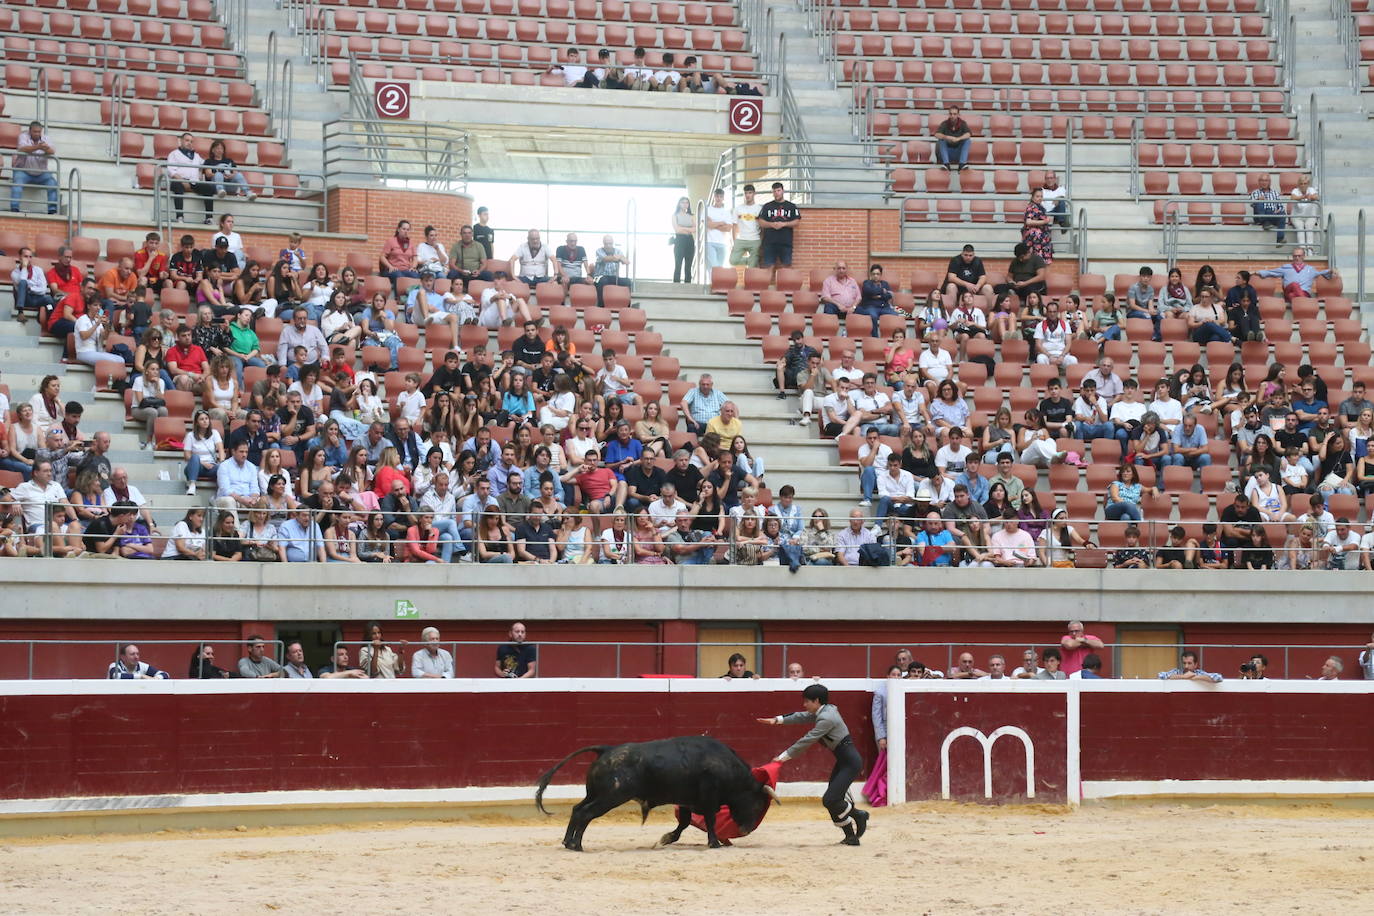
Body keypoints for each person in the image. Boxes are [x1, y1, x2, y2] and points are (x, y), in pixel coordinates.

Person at [756, 684, 870, 845]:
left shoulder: (827, 718)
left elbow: (807, 740)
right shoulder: (826, 710)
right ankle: (851, 837)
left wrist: (782, 757)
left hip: (850, 764)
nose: (804, 705)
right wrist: (777, 720)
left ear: (816, 701)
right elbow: (802, 716)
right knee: (833, 800)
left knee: (830, 800)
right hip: (844, 761)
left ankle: (859, 815)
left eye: (807, 701)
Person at [10, 121, 58, 215]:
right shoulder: (23, 136)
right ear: (30, 131)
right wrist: (38, 147)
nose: (37, 134)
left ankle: (52, 209)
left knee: (53, 183)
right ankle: (14, 207)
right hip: (23, 170)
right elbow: (22, 148)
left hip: (41, 172)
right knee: (17, 183)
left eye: (39, 132)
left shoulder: (46, 138)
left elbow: (52, 151)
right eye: (35, 131)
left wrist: (46, 148)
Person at [1255, 247, 1336, 301]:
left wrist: (1332, 271)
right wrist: (1257, 272)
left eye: (1299, 256)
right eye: (1295, 256)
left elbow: (1321, 273)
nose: (1297, 258)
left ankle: (1301, 302)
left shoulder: (1310, 269)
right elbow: (1271, 272)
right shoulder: (1286, 267)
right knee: (1294, 285)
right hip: (1289, 290)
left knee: (1292, 296)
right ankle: (1304, 303)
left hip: (1302, 294)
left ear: (1304, 256)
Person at [166, 132, 214, 223]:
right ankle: (180, 217)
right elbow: (171, 171)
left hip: (194, 182)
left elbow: (205, 164)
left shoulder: (196, 155)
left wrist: (201, 171)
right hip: (179, 180)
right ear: (181, 141)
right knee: (177, 186)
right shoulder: (174, 154)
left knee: (208, 188)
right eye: (187, 140)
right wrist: (182, 181)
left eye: (191, 141)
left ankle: (209, 218)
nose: (189, 143)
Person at [757, 182, 801, 276]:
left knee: (786, 268)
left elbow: (797, 222)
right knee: (768, 268)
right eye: (774, 191)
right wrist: (772, 224)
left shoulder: (791, 206)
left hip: (785, 243)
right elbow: (760, 222)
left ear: (783, 191)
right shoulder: (767, 206)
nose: (776, 193)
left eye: (778, 190)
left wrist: (784, 224)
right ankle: (767, 286)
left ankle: (786, 286)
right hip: (769, 243)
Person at [1249, 173, 1288, 245]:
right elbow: (1252, 204)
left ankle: (1280, 238)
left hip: (1272, 214)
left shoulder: (1275, 193)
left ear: (1269, 182)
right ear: (1259, 182)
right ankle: (1265, 222)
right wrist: (1258, 200)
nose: (1264, 182)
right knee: (1259, 203)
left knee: (1282, 214)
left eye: (1266, 180)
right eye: (1262, 180)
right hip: (1260, 216)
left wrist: (1278, 210)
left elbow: (1280, 206)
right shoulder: (1255, 192)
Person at [730, 183, 762, 267]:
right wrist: (734, 241)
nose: (747, 195)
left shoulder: (759, 209)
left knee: (752, 267)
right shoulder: (738, 209)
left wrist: (761, 241)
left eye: (750, 193)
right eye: (745, 193)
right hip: (741, 239)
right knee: (733, 260)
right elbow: (734, 226)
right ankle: (752, 260)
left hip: (755, 240)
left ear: (754, 194)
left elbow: (763, 227)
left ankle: (753, 261)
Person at [932, 105, 971, 171]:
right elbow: (936, 134)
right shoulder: (944, 123)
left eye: (954, 114)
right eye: (951, 114)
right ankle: (946, 164)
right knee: (941, 139)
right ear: (949, 114)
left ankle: (962, 164)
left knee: (967, 140)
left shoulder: (963, 123)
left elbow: (969, 134)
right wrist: (947, 137)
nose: (952, 116)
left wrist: (958, 138)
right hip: (947, 153)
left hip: (958, 154)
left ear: (958, 115)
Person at [703, 188, 733, 269]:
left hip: (722, 243)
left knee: (719, 268)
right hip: (709, 242)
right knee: (714, 266)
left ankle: (712, 278)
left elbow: (728, 228)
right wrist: (721, 223)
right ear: (714, 197)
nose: (718, 198)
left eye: (720, 196)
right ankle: (711, 278)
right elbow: (707, 225)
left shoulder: (727, 212)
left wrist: (713, 223)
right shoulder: (707, 210)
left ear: (723, 198)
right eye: (716, 196)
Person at [670, 196, 695, 283]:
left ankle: (688, 284)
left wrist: (683, 228)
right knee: (678, 263)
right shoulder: (675, 215)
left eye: (687, 202)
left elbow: (695, 229)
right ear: (679, 204)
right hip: (679, 240)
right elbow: (677, 230)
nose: (685, 204)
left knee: (688, 265)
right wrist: (689, 229)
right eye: (683, 202)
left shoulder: (691, 216)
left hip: (690, 240)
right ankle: (676, 284)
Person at [1158, 650, 1223, 683]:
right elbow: (1160, 675)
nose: (1186, 666)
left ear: (1195, 665)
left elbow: (1218, 678)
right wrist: (1183, 676)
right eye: (1184, 663)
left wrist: (1195, 677)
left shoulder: (1199, 673)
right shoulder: (1176, 671)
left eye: (1189, 663)